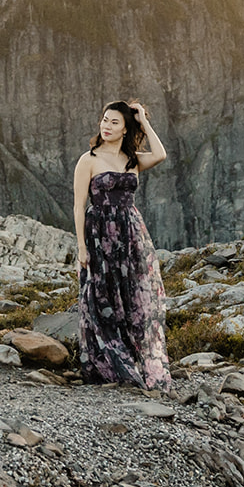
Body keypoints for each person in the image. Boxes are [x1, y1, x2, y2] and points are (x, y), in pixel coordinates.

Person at [72, 99, 173, 390]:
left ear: (126, 129)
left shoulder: (132, 161)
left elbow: (161, 154)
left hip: (131, 233)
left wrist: (143, 120)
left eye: (114, 122)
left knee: (132, 296)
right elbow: (79, 206)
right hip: (99, 232)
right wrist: (81, 246)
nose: (106, 126)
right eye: (105, 120)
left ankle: (133, 359)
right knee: (101, 296)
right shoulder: (88, 159)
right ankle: (109, 365)